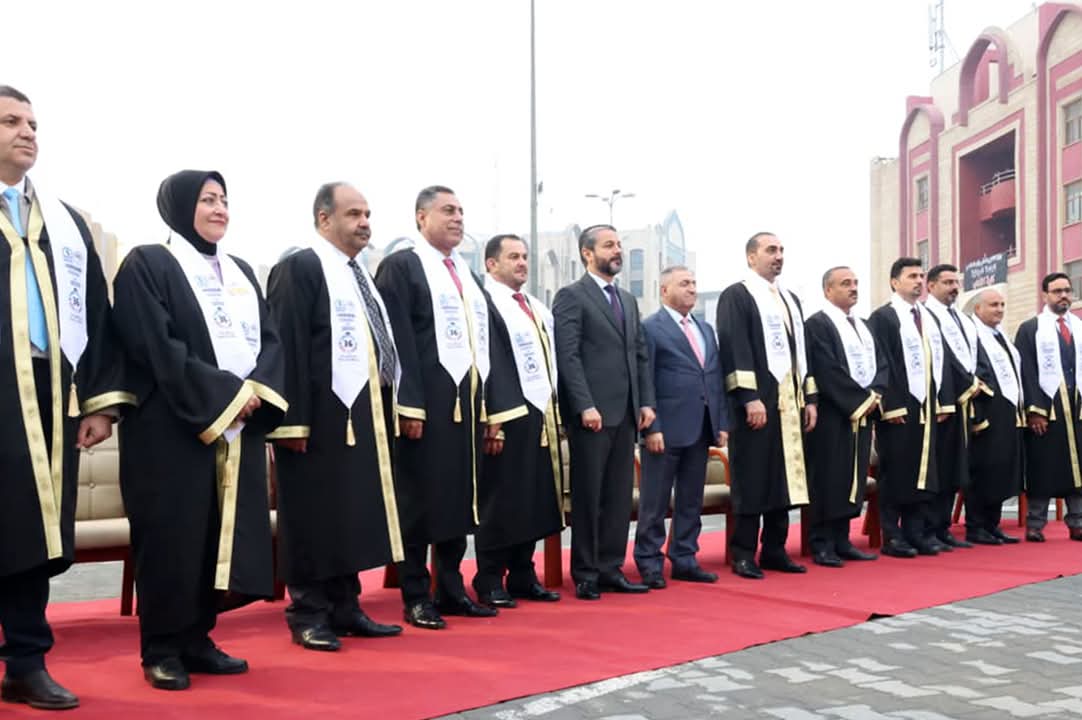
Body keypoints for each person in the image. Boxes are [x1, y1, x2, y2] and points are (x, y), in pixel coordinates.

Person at [113, 170, 288, 690]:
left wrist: (255, 393)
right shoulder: (148, 264)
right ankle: (161, 647)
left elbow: (271, 340)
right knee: (172, 537)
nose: (220, 209)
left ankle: (198, 637)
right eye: (208, 199)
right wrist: (228, 397)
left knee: (215, 535)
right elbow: (156, 346)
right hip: (170, 429)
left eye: (224, 200)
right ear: (179, 206)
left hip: (236, 427)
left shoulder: (240, 271)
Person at [0, 86, 131, 711]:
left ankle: (26, 662)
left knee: (31, 529)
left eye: (32, 123)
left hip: (49, 395)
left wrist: (101, 403)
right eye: (10, 121)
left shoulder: (63, 224)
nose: (28, 132)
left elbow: (98, 315)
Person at [374, 186, 525, 629]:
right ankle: (416, 595)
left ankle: (452, 588)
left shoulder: (467, 275)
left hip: (468, 406)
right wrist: (408, 404)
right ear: (421, 217)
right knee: (419, 501)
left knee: (460, 499)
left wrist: (494, 412)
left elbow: (490, 343)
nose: (458, 218)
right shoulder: (403, 266)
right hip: (426, 406)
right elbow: (396, 338)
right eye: (447, 210)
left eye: (460, 210)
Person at [266, 183, 405, 651]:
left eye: (367, 214)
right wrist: (291, 422)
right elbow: (285, 345)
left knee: (349, 513)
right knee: (312, 517)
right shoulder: (300, 267)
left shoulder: (358, 274)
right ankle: (308, 613)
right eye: (353, 214)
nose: (364, 223)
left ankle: (346, 606)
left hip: (362, 412)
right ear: (324, 219)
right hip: (316, 418)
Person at [553, 224, 656, 600]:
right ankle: (585, 573)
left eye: (619, 245)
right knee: (589, 496)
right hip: (592, 417)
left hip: (626, 414)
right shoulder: (571, 296)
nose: (617, 251)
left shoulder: (627, 300)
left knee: (617, 497)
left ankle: (611, 568)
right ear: (587, 253)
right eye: (609, 245)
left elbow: (639, 354)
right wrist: (584, 405)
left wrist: (645, 402)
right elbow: (568, 356)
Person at [715, 232, 816, 580]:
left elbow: (802, 354)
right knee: (754, 477)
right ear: (751, 257)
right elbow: (734, 347)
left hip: (789, 404)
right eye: (771, 250)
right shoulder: (738, 295)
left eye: (781, 250)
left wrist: (810, 398)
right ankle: (744, 552)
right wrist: (749, 397)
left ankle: (775, 549)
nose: (778, 256)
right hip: (756, 405)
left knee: (784, 479)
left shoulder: (790, 299)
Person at [472, 234, 563, 607]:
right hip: (505, 416)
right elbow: (486, 362)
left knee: (534, 496)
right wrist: (492, 416)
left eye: (525, 256)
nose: (522, 263)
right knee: (502, 499)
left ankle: (523, 573)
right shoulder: (483, 303)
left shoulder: (535, 307)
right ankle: (490, 577)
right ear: (491, 264)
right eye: (513, 257)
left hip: (539, 413)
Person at [634, 266, 728, 587]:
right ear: (664, 290)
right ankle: (649, 561)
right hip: (664, 431)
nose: (692, 289)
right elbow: (645, 380)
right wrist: (651, 428)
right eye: (684, 283)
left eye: (694, 283)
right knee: (655, 502)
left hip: (700, 427)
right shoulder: (651, 328)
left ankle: (685, 558)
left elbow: (713, 376)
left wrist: (721, 422)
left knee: (691, 499)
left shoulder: (705, 329)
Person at [867, 258, 952, 558]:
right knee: (897, 472)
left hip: (927, 406)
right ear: (894, 282)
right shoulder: (883, 317)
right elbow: (881, 363)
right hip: (899, 410)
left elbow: (940, 361)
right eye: (912, 276)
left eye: (921, 275)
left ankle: (917, 532)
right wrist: (890, 405)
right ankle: (892, 535)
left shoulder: (928, 317)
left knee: (924, 471)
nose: (918, 281)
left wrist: (943, 401)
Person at [803, 267, 885, 567]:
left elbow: (882, 363)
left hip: (862, 413)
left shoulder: (863, 326)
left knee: (853, 477)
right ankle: (821, 542)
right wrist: (860, 401)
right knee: (829, 477)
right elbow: (825, 369)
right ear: (828, 290)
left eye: (855, 283)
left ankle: (842, 539)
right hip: (833, 415)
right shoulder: (817, 324)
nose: (853, 288)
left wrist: (876, 394)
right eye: (845, 283)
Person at [1015, 272, 1082, 542]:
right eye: (1057, 291)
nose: (1063, 296)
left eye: (1067, 290)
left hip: (1077, 406)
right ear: (1045, 295)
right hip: (1047, 408)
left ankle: (1078, 522)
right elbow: (1026, 372)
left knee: (1079, 466)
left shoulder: (1079, 327)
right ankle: (1035, 523)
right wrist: (1034, 409)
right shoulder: (1031, 329)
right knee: (1043, 466)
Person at [923, 264, 980, 550]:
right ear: (931, 286)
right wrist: (965, 386)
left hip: (964, 403)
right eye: (947, 282)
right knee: (940, 467)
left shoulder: (962, 318)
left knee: (954, 468)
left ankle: (943, 527)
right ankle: (930, 527)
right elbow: (942, 361)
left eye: (956, 282)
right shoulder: (926, 316)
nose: (954, 288)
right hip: (942, 403)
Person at [966, 288, 1022, 545]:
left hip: (1006, 409)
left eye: (1001, 304)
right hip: (985, 410)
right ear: (978, 308)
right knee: (984, 469)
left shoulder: (1000, 336)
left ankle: (992, 524)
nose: (999, 309)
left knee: (1001, 467)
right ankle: (976, 526)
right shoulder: (972, 335)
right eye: (993, 305)